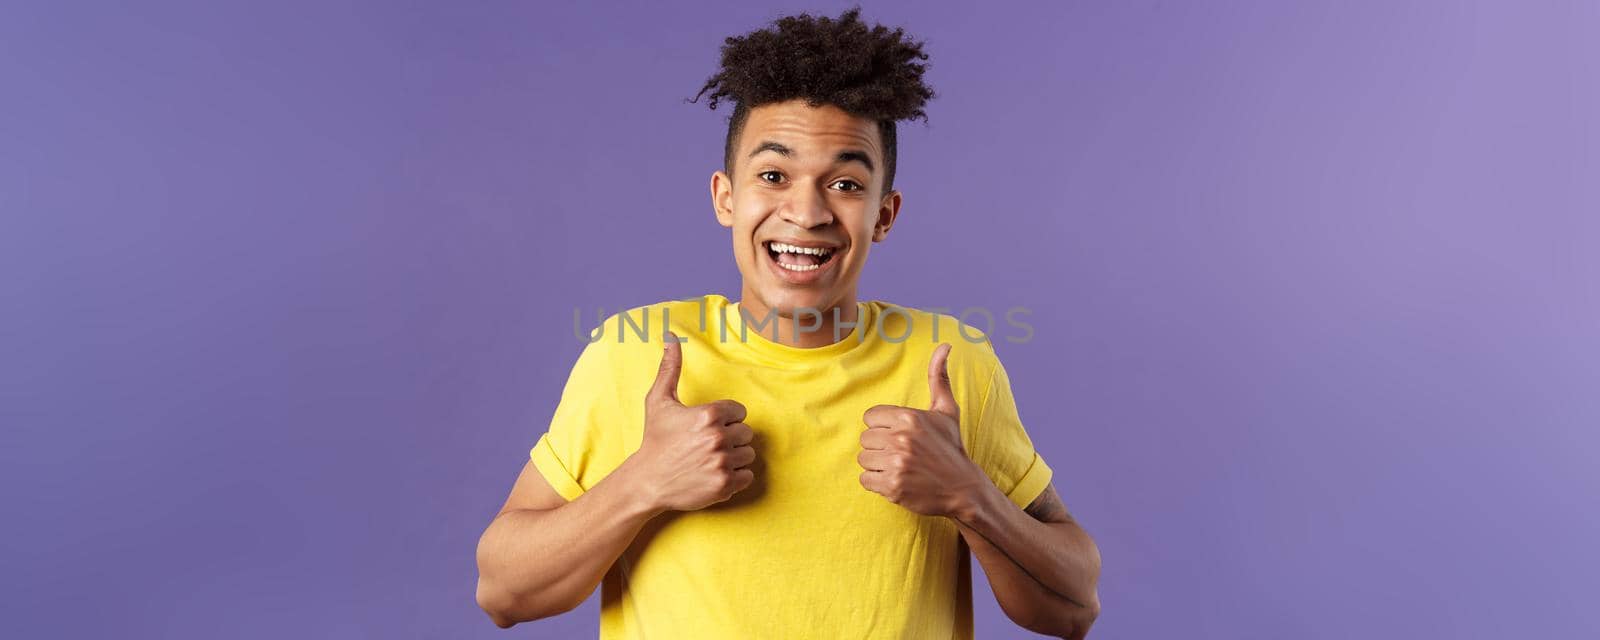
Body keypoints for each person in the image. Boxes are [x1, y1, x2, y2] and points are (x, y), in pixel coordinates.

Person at [474, 8, 1100, 639]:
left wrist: (971, 498)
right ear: (725, 196)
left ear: (884, 215)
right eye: (773, 176)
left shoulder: (951, 363)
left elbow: (1072, 609)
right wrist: (643, 483)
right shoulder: (634, 355)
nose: (805, 212)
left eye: (846, 184)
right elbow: (503, 593)